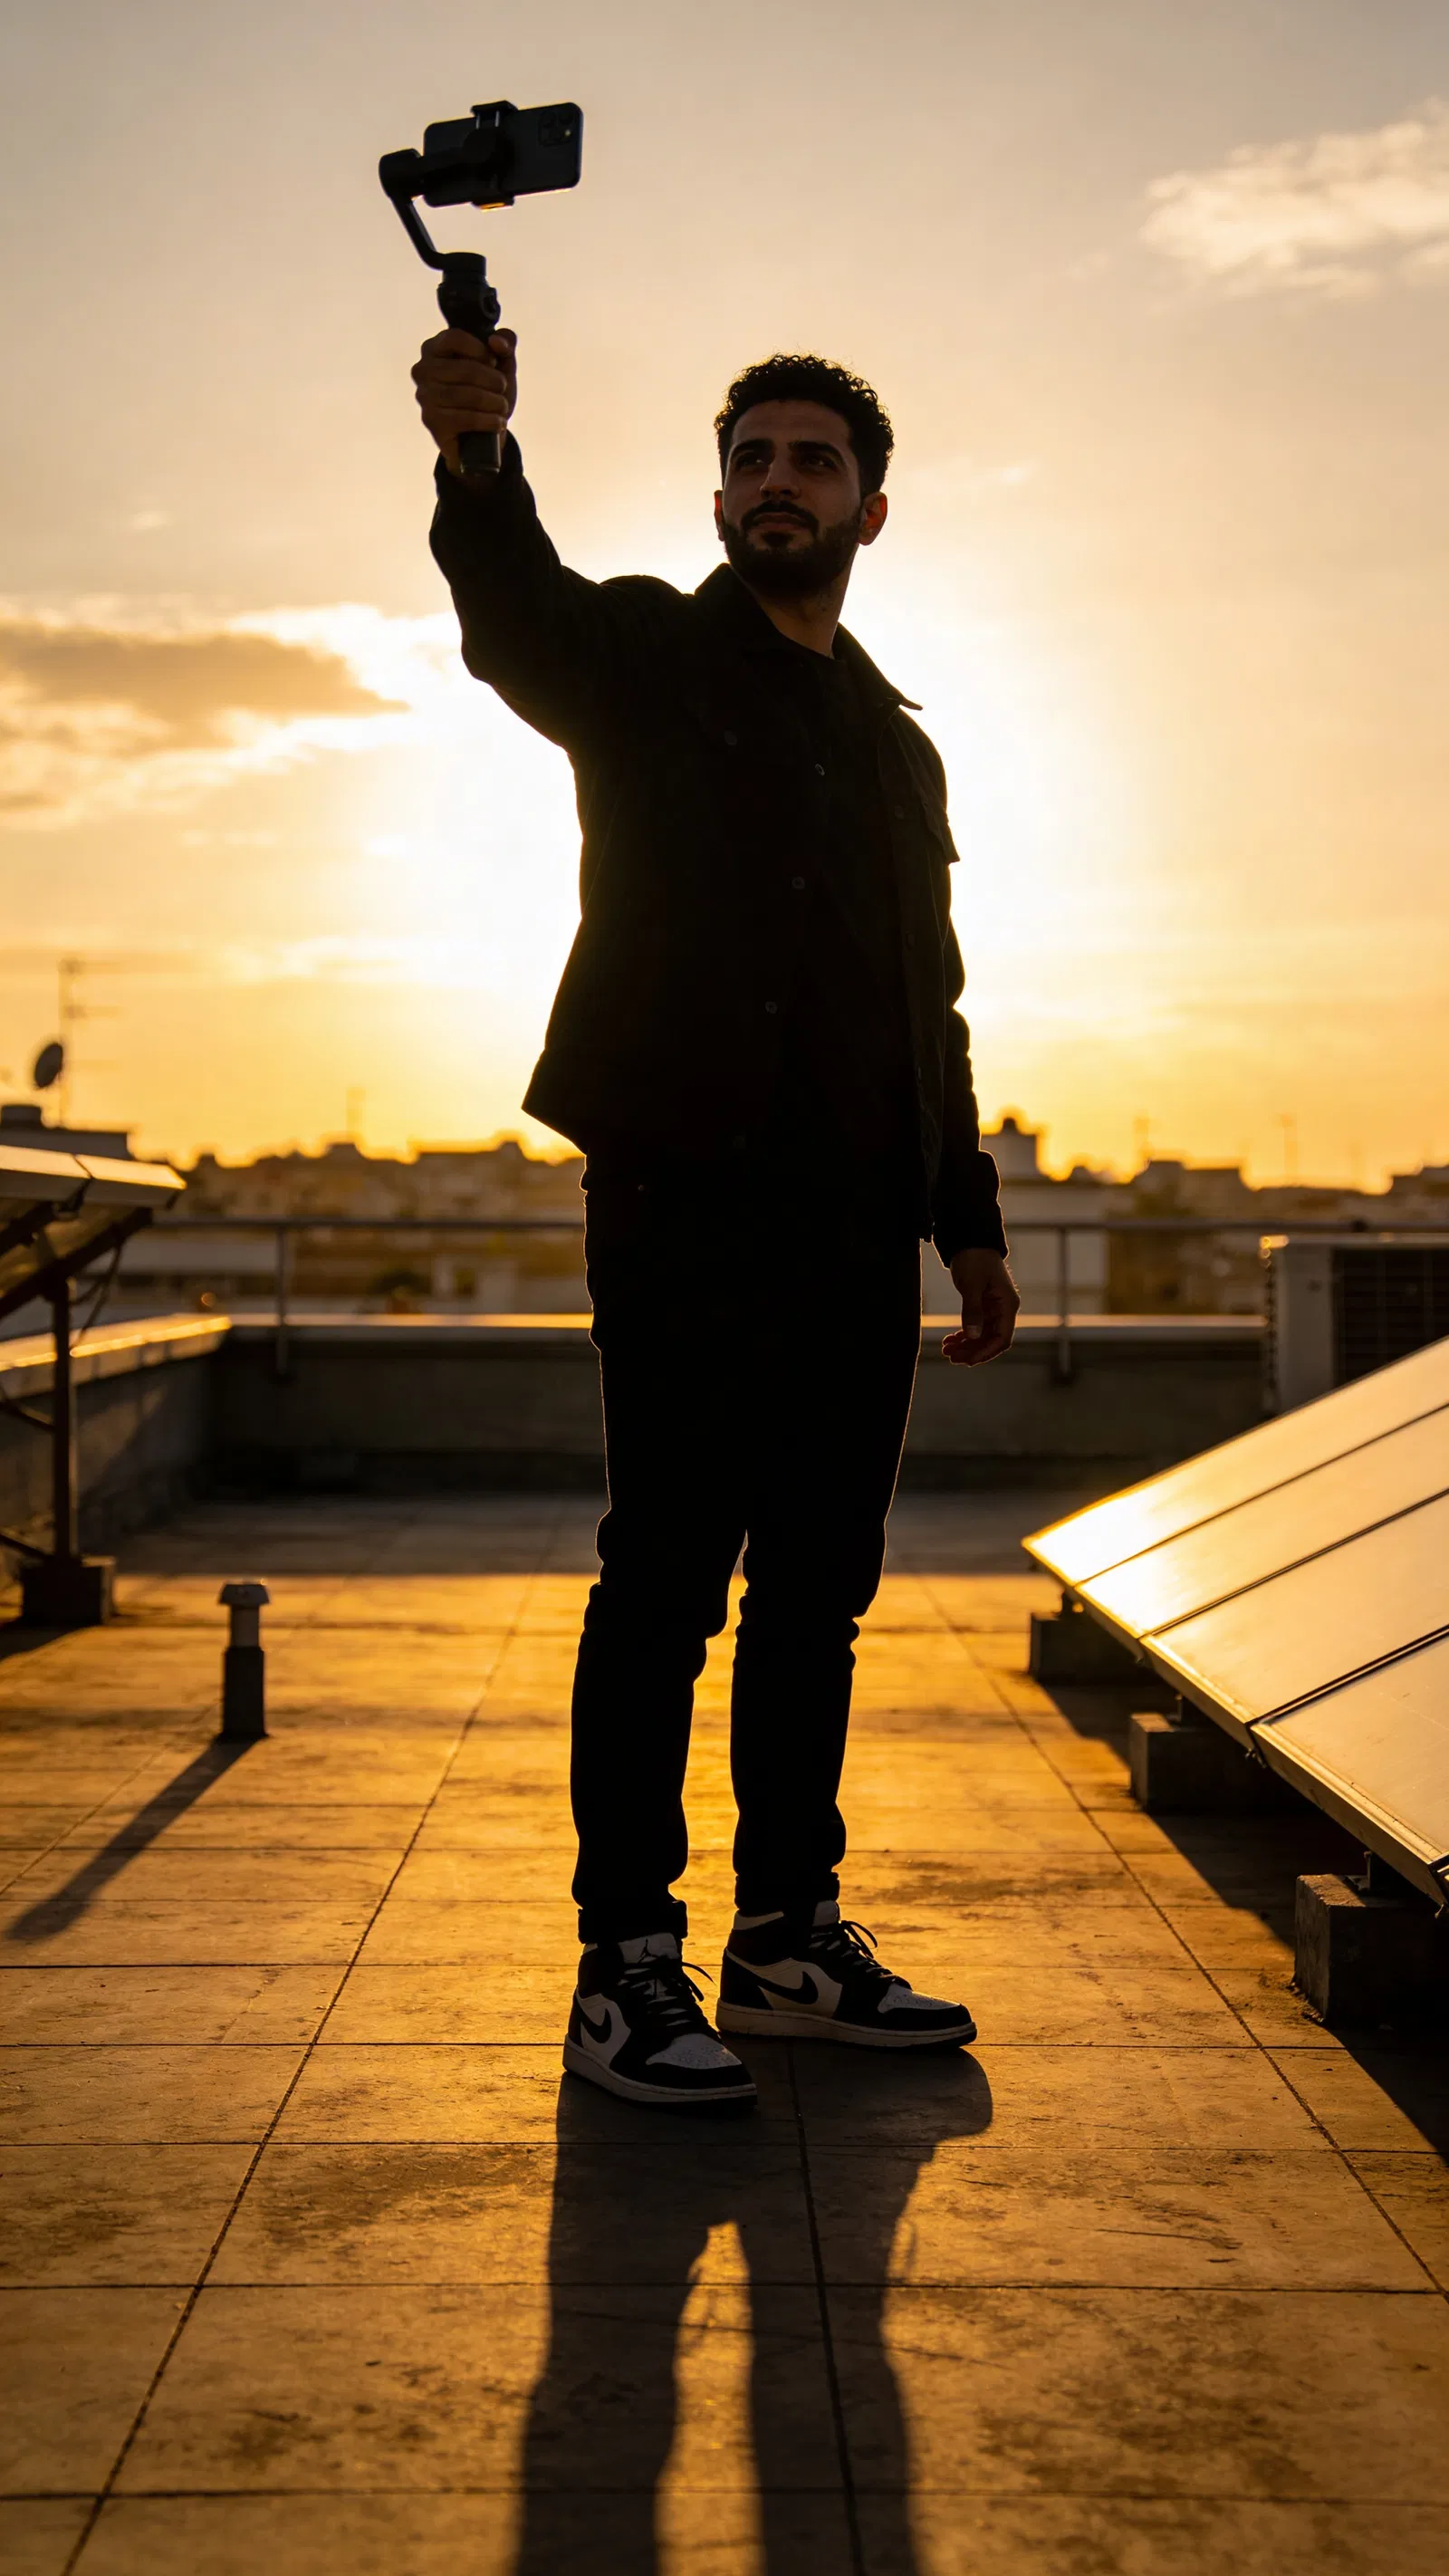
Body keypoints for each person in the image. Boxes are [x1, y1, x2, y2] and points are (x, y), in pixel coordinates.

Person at [414, 326, 1020, 2111]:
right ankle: (625, 1966)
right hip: (685, 1199)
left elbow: (935, 1005)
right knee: (665, 1587)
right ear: (716, 496)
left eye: (811, 460)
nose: (778, 479)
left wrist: (962, 1215)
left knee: (814, 1599)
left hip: (853, 1231)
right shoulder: (649, 660)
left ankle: (785, 1939)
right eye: (752, 455)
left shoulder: (897, 753)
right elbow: (509, 609)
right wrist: (475, 453)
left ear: (868, 510)